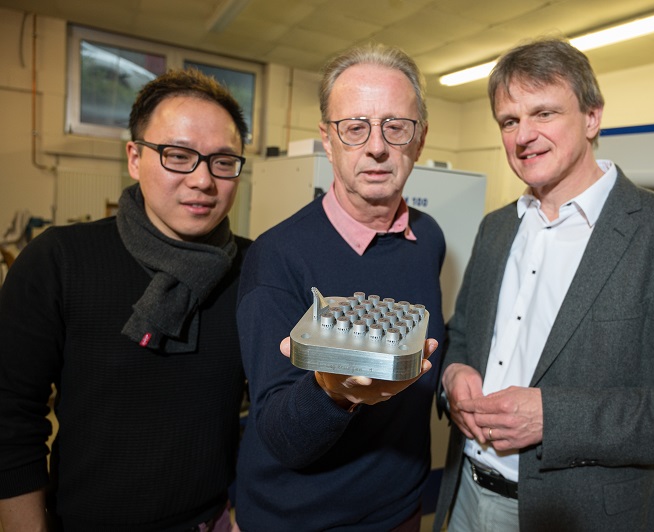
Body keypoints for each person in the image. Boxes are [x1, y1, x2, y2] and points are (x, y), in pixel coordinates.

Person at [433, 37, 654, 532]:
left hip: (578, 514)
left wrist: (554, 419)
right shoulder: (497, 227)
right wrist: (454, 374)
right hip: (466, 493)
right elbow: (464, 333)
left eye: (544, 113)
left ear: (591, 117)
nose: (524, 136)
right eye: (509, 121)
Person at [0, 69, 251, 531]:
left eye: (222, 161)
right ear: (134, 157)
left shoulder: (254, 270)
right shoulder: (58, 260)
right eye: (178, 155)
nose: (202, 180)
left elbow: (269, 413)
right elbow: (10, 417)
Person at [235, 43, 445, 531]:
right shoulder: (278, 257)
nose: (377, 147)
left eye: (396, 126)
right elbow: (281, 437)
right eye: (354, 128)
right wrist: (333, 391)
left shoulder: (428, 237)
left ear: (420, 139)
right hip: (304, 519)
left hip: (401, 509)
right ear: (328, 141)